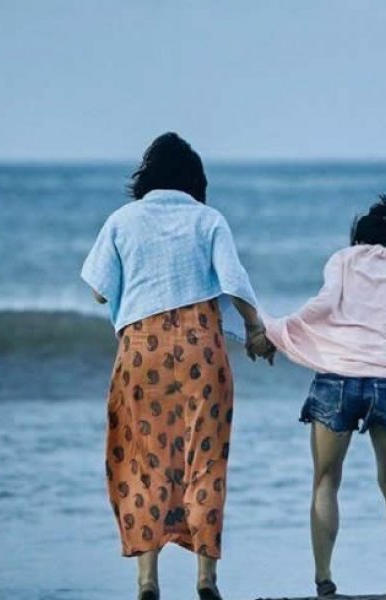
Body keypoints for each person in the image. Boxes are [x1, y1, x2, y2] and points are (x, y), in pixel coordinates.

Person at [80, 132, 275, 600]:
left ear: (146, 177)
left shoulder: (122, 220)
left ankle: (147, 580)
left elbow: (99, 291)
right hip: (200, 350)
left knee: (142, 461)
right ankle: (206, 579)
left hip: (140, 351)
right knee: (206, 459)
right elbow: (234, 280)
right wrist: (255, 328)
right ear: (194, 179)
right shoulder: (209, 219)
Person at [263, 196, 386, 596]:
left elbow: (323, 304)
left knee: (326, 480)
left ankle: (324, 579)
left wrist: (279, 329)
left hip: (337, 377)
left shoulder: (344, 259)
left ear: (359, 236)